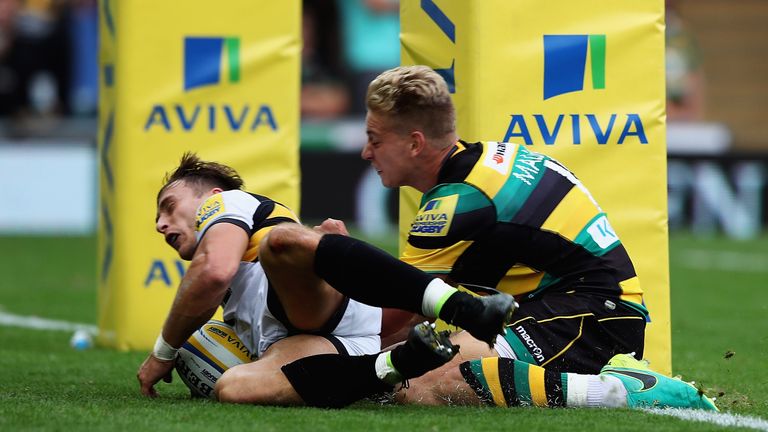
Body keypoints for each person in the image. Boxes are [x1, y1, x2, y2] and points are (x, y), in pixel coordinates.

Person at [270, 65, 717, 410]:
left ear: (415, 143)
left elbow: (388, 323)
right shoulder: (485, 161)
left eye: (375, 138)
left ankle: (622, 391)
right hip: (578, 304)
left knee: (420, 385)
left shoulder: (456, 206)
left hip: (589, 313)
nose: (366, 151)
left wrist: (337, 265)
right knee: (421, 364)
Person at [136, 152, 516, 400]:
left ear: (210, 197)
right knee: (233, 387)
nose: (159, 224)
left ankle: (462, 307)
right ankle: (398, 364)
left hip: (319, 311)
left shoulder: (227, 204)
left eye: (168, 207)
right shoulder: (235, 290)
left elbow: (214, 272)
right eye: (157, 217)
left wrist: (165, 352)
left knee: (279, 244)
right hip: (330, 341)